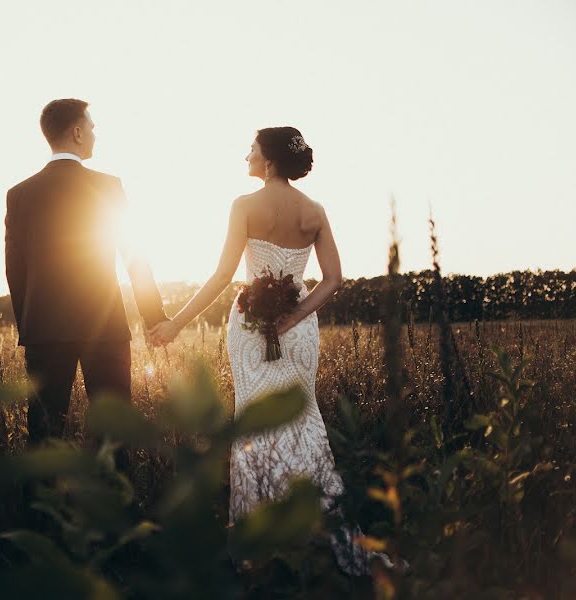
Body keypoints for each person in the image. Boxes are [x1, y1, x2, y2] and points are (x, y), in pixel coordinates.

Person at [149, 126, 396, 575]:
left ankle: (260, 542)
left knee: (255, 423)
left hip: (250, 324)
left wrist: (176, 323)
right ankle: (315, 526)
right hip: (298, 330)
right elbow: (333, 278)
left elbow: (224, 275)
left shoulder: (244, 205)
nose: (246, 153)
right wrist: (295, 318)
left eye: (252, 148)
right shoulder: (314, 210)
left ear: (270, 159)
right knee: (302, 419)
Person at [5, 98, 168, 470]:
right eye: (92, 127)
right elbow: (134, 257)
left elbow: (14, 270)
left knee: (44, 433)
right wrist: (153, 317)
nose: (95, 134)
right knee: (113, 432)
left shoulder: (20, 194)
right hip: (104, 325)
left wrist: (28, 324)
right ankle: (115, 512)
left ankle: (41, 516)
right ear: (77, 132)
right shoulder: (108, 186)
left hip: (43, 329)